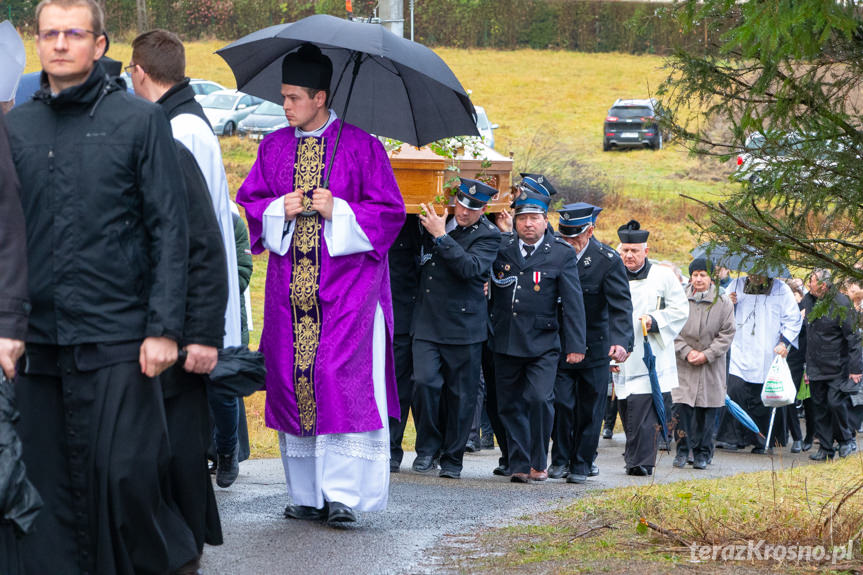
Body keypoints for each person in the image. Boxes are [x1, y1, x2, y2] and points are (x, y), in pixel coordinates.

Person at [5, 0, 198, 572]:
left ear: (100, 43)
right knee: (42, 494)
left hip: (119, 342)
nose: (60, 44)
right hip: (36, 347)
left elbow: (170, 228)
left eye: (73, 33)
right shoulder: (14, 129)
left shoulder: (139, 123)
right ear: (37, 42)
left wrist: (166, 327)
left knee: (125, 480)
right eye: (49, 34)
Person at [236, 43, 405, 524]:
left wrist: (339, 209)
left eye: (293, 97)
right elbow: (247, 206)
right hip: (290, 296)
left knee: (337, 381)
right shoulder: (272, 147)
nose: (284, 106)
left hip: (349, 296)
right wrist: (277, 209)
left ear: (320, 97)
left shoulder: (362, 147)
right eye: (283, 97)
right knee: (293, 383)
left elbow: (391, 215)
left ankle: (345, 498)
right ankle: (307, 494)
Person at [129, 29, 245, 486]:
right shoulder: (182, 120)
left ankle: (220, 453)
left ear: (139, 73)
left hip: (192, 279)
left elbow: (181, 220)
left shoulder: (181, 128)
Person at [489, 182, 586, 483]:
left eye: (535, 218)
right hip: (505, 338)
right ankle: (519, 464)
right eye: (522, 218)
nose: (528, 224)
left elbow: (573, 301)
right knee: (509, 403)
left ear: (546, 221)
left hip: (543, 341)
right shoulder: (501, 247)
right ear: (515, 220)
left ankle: (537, 459)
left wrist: (576, 344)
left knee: (539, 399)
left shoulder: (560, 253)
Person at [411, 178, 501, 478]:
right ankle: (426, 449)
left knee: (460, 395)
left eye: (473, 208)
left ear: (484, 209)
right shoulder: (439, 219)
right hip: (427, 322)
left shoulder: (489, 235)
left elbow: (471, 269)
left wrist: (440, 237)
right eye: (462, 204)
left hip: (464, 327)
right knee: (424, 384)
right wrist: (436, 230)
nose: (464, 212)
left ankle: (452, 458)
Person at [548, 202, 632, 484]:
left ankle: (582, 463)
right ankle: (559, 459)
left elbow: (620, 305)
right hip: (559, 343)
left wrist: (621, 341)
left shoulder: (606, 259)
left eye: (575, 236)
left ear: (590, 230)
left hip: (594, 346)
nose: (569, 242)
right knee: (561, 403)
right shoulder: (554, 254)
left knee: (590, 408)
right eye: (564, 236)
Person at [613, 220, 688, 476]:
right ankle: (632, 457)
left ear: (646, 251)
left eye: (634, 250)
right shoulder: (612, 273)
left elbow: (680, 310)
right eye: (625, 250)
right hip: (620, 351)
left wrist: (655, 320)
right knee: (627, 408)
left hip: (650, 352)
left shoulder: (663, 276)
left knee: (645, 410)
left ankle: (641, 462)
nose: (629, 256)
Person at [715, 272, 802, 453]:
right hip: (740, 348)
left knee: (763, 396)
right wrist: (728, 304)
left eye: (760, 273)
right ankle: (733, 437)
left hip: (767, 349)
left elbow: (793, 319)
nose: (755, 276)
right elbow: (719, 314)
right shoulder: (736, 285)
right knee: (735, 390)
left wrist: (783, 342)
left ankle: (762, 440)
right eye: (752, 272)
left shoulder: (781, 290)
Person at [671, 257, 735, 469]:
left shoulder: (723, 301)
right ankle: (682, 450)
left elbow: (727, 333)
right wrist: (687, 352)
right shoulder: (679, 298)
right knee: (682, 409)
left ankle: (703, 453)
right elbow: (672, 329)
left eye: (703, 275)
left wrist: (707, 354)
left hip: (711, 365)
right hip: (684, 364)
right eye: (695, 275)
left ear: (711, 277)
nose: (698, 279)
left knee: (707, 411)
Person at [803, 269, 861, 460]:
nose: (809, 284)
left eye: (812, 281)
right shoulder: (809, 301)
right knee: (819, 407)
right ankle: (826, 448)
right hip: (816, 365)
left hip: (838, 366)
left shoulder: (841, 302)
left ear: (823, 285)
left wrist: (855, 369)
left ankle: (845, 440)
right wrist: (807, 367)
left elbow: (853, 337)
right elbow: (808, 335)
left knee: (835, 403)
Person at [387, 214, 421, 473]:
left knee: (401, 387)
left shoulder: (415, 225)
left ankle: (392, 448)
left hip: (406, 317)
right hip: (371, 315)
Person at [783, 277, 813, 453]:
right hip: (791, 358)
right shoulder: (785, 310)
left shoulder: (808, 307)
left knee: (810, 400)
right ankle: (797, 437)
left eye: (796, 293)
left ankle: (810, 435)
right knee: (789, 398)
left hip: (810, 357)